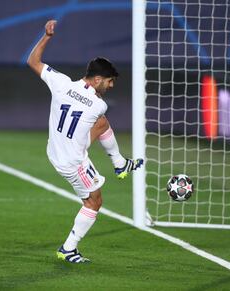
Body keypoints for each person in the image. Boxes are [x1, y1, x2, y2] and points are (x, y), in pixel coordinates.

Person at [27, 20, 143, 263]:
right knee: (94, 201)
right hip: (73, 160)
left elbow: (33, 62)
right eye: (110, 81)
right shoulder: (98, 104)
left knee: (102, 124)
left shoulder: (62, 83)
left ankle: (120, 162)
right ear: (98, 79)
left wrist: (47, 36)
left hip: (55, 149)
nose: (111, 86)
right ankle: (69, 248)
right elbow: (93, 121)